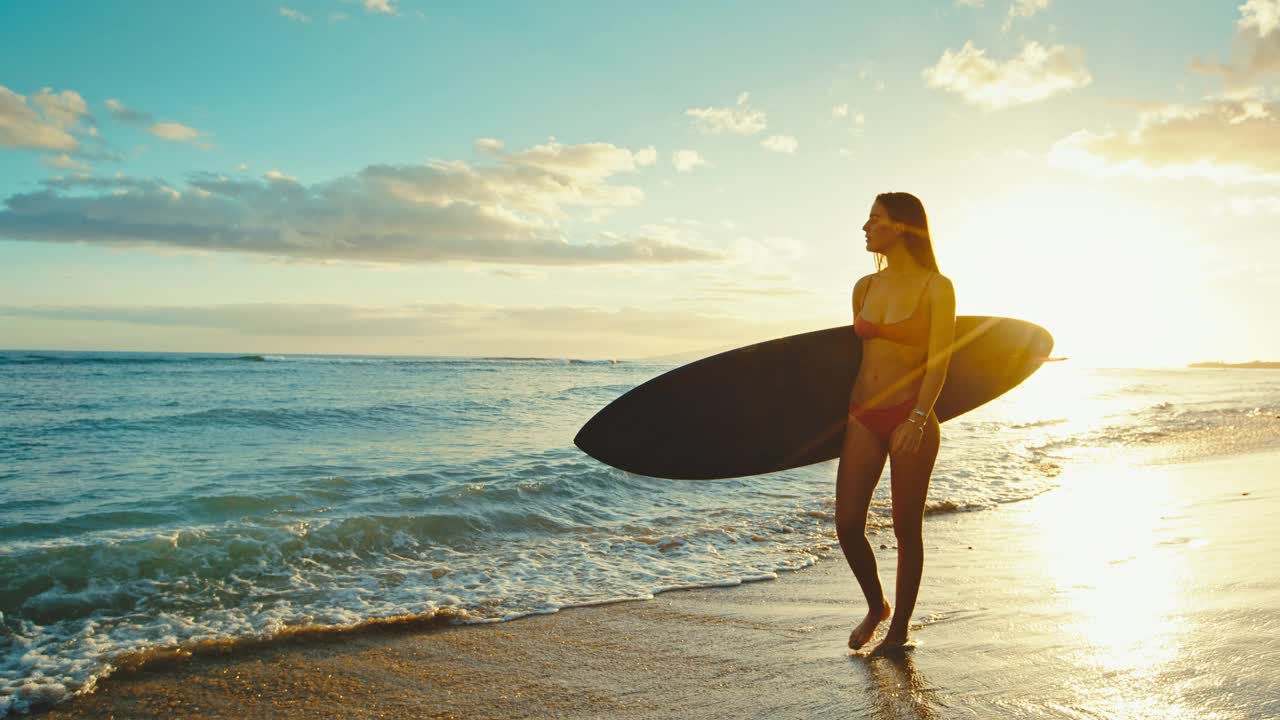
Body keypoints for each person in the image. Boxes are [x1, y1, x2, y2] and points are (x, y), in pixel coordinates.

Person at [837, 192, 956, 655]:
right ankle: (876, 606)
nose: (866, 227)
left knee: (906, 527)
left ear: (902, 227)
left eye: (875, 219)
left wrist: (918, 418)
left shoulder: (936, 286)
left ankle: (899, 628)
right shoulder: (864, 287)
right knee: (848, 523)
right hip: (863, 415)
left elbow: (939, 360)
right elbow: (855, 358)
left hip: (913, 415)